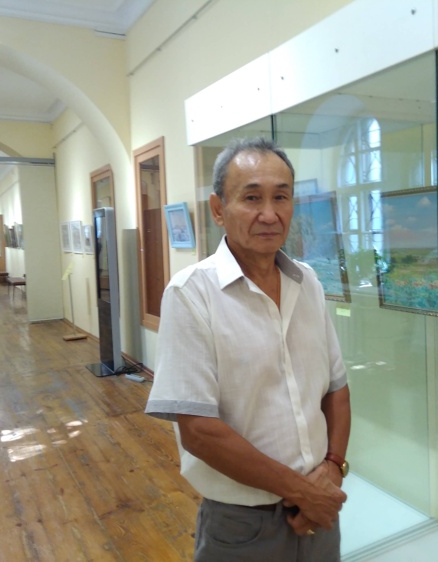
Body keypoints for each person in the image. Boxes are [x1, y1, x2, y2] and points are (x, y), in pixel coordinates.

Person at [146, 137, 351, 561]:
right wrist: (303, 491)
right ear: (218, 209)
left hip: (320, 512)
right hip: (244, 525)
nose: (270, 214)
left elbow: (336, 389)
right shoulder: (191, 294)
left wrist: (333, 466)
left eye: (281, 197)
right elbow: (199, 431)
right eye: (252, 197)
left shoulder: (308, 282)